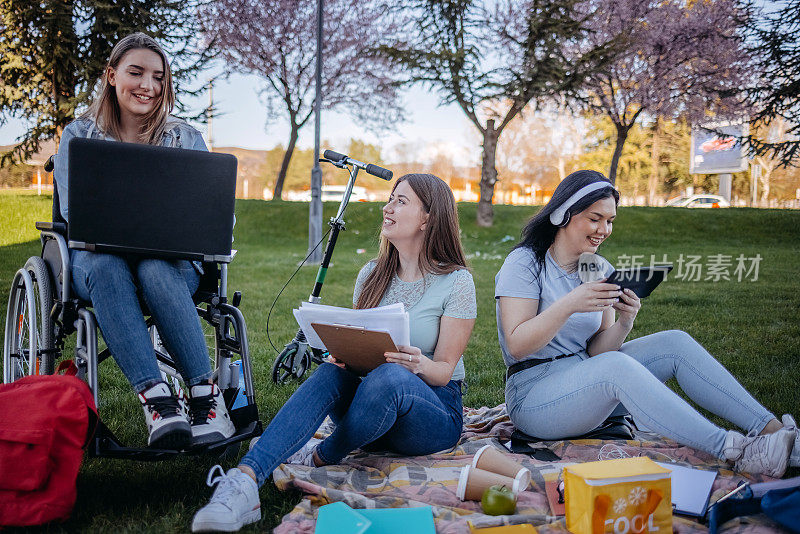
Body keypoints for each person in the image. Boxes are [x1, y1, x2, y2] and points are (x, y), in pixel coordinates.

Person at [191, 173, 477, 532]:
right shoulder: (371, 274)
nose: (386, 207)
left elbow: (445, 371)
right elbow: (362, 345)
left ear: (428, 218)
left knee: (391, 375)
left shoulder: (456, 281)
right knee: (331, 372)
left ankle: (321, 455)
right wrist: (343, 353)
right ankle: (245, 481)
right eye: (390, 198)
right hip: (370, 410)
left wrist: (418, 363)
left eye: (400, 201)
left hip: (431, 414)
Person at [495, 169, 799, 478]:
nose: (604, 229)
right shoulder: (525, 263)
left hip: (584, 381)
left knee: (674, 342)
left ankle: (775, 433)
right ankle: (736, 450)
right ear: (563, 214)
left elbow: (599, 352)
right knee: (616, 367)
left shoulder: (597, 267)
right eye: (595, 218)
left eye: (610, 221)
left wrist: (626, 321)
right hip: (534, 397)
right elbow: (517, 345)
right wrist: (570, 304)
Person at [52, 33, 234, 450]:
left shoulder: (185, 138)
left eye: (158, 77)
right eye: (136, 73)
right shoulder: (79, 136)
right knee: (108, 266)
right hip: (96, 262)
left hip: (168, 265)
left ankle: (207, 398)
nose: (148, 86)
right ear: (112, 76)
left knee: (153, 268)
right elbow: (75, 213)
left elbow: (215, 213)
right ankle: (158, 402)